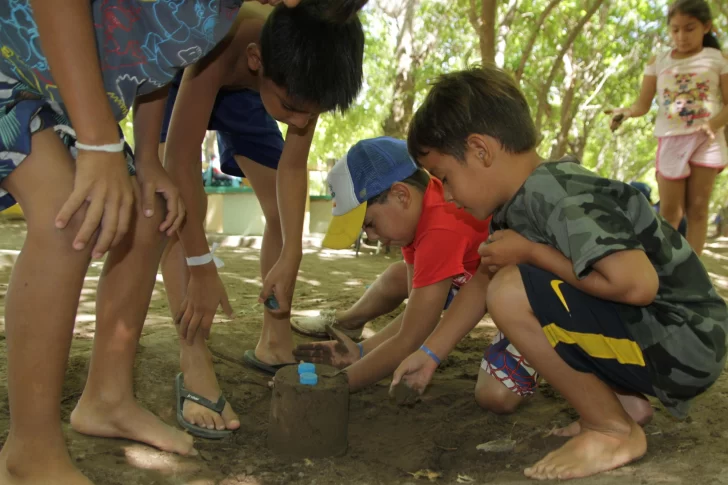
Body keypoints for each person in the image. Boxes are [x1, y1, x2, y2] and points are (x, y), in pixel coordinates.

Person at [391, 66, 728, 481]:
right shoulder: (516, 205)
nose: (448, 194)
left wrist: (533, 253)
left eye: (445, 178)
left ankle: (611, 428)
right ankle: (624, 404)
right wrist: (429, 355)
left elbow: (638, 285)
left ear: (480, 150)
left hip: (686, 338)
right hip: (666, 336)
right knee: (504, 281)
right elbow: (481, 280)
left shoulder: (557, 194)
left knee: (510, 293)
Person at [0, 0, 252, 482]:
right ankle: (28, 453)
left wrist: (149, 160)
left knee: (150, 210)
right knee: (69, 214)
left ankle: (107, 399)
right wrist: (98, 142)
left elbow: (154, 55)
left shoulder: (225, 13)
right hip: (13, 51)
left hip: (57, 87)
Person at [160, 1, 365, 438]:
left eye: (312, 113)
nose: (302, 122)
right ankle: (194, 358)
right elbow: (179, 159)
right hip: (186, 75)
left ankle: (274, 342)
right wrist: (200, 264)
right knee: (177, 208)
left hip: (253, 90)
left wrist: (292, 252)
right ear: (257, 60)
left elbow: (292, 167)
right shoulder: (222, 35)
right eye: (294, 110)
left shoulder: (311, 60)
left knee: (279, 205)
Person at [291, 137, 538, 402]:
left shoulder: (440, 228)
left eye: (370, 224)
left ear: (401, 195)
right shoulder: (414, 218)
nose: (371, 238)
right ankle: (350, 322)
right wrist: (362, 353)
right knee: (399, 277)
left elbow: (411, 338)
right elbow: (416, 317)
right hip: (479, 279)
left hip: (523, 287)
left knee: (496, 396)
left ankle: (543, 331)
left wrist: (340, 384)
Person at [608, 0, 728, 256]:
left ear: (705, 27)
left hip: (707, 141)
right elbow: (642, 105)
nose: (681, 36)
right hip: (671, 140)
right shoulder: (659, 61)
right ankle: (664, 266)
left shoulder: (718, 59)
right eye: (675, 30)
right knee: (670, 212)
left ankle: (693, 273)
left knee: (698, 209)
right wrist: (624, 113)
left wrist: (713, 124)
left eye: (689, 28)